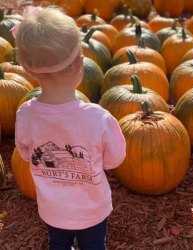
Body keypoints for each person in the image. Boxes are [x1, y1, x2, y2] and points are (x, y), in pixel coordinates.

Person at [14, 6, 126, 250]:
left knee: (58, 243)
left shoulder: (25, 115)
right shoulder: (99, 119)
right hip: (93, 209)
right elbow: (115, 160)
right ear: (80, 65)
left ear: (27, 70)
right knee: (94, 245)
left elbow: (25, 154)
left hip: (53, 210)